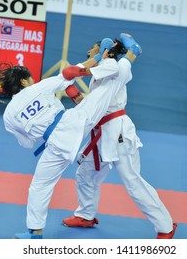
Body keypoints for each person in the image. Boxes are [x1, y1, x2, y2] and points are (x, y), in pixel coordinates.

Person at [0, 36, 139, 239]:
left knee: (39, 186)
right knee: (107, 89)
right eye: (30, 78)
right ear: (23, 81)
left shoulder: (8, 116)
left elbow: (27, 144)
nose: (33, 81)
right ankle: (130, 54)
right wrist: (98, 57)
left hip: (54, 145)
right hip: (73, 122)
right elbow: (68, 74)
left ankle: (34, 232)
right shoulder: (37, 88)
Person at [62, 33, 177, 239]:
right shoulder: (101, 74)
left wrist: (130, 49)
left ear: (105, 50)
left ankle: (165, 226)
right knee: (85, 174)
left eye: (93, 49)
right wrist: (76, 97)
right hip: (101, 134)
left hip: (118, 133)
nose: (89, 51)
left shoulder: (115, 68)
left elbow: (118, 61)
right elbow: (94, 107)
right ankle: (86, 214)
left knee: (132, 181)